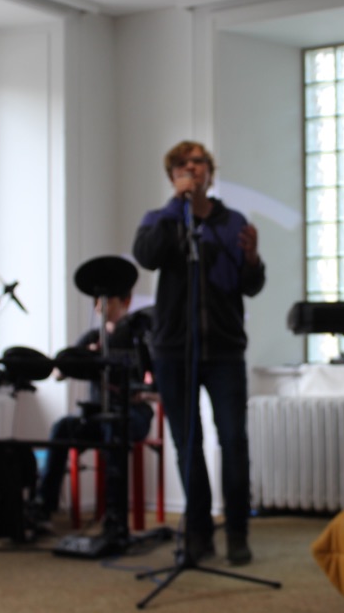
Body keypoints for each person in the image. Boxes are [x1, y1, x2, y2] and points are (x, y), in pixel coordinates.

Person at [132, 140, 265, 566]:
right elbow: (147, 257)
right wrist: (177, 205)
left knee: (234, 441)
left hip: (225, 351)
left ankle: (238, 533)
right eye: (183, 165)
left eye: (199, 162)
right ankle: (198, 534)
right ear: (173, 175)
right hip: (174, 352)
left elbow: (250, 285)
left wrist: (252, 259)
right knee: (187, 444)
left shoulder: (232, 221)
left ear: (210, 171)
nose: (192, 169)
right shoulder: (160, 220)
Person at [34, 292, 155, 537]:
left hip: (133, 415)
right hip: (97, 416)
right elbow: (58, 373)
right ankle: (43, 508)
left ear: (125, 302)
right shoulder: (91, 337)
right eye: (98, 300)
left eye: (108, 299)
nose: (101, 305)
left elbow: (159, 387)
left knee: (114, 429)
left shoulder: (138, 338)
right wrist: (85, 356)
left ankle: (114, 516)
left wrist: (143, 394)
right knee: (61, 428)